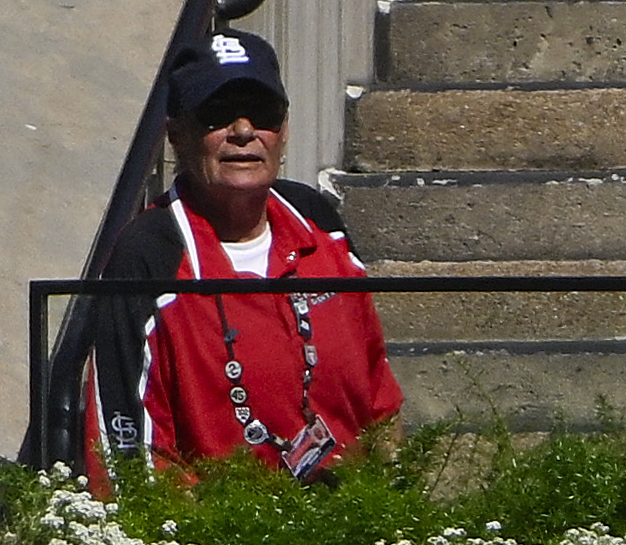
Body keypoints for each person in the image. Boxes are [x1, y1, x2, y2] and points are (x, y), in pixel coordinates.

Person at [43, 35, 398, 484]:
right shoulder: (149, 254)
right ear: (177, 136)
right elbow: (126, 453)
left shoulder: (320, 222)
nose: (244, 131)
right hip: (219, 537)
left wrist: (392, 508)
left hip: (354, 521)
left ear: (284, 129)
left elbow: (380, 399)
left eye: (262, 113)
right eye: (218, 113)